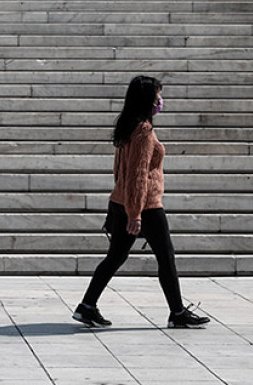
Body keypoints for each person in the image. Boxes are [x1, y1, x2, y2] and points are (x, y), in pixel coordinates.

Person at [72, 75, 210, 330]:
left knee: (115, 257)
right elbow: (138, 174)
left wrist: (123, 204)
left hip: (121, 201)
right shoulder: (143, 130)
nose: (161, 101)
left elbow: (119, 169)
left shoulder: (127, 126)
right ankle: (177, 313)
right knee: (166, 257)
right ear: (148, 99)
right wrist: (135, 214)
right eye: (158, 96)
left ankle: (87, 306)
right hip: (144, 205)